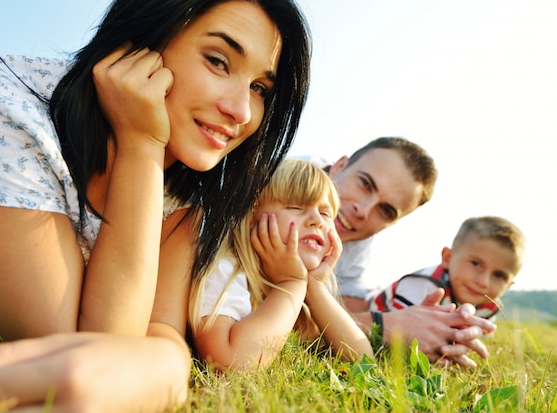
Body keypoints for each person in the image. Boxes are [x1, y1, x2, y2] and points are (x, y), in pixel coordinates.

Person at [0, 0, 312, 410]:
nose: (240, 111)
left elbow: (150, 336)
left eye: (259, 88)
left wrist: (168, 362)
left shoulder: (184, 191)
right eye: (218, 61)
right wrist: (141, 145)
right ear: (141, 40)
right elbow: (88, 349)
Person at [313, 137, 497, 367]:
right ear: (339, 166)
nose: (364, 210)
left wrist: (435, 325)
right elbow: (267, 312)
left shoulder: (355, 239)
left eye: (386, 211)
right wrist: (384, 325)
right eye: (365, 183)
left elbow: (345, 303)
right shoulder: (273, 183)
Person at [189, 159, 372, 370]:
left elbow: (364, 362)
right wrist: (290, 284)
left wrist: (314, 286)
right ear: (250, 216)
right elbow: (230, 364)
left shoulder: (306, 284)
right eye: (295, 207)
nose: (316, 220)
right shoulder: (224, 265)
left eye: (325, 213)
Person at [368, 216, 525, 324]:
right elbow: (399, 328)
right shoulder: (425, 285)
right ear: (448, 258)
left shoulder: (489, 306)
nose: (483, 282)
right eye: (476, 264)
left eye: (499, 275)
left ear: (509, 286)